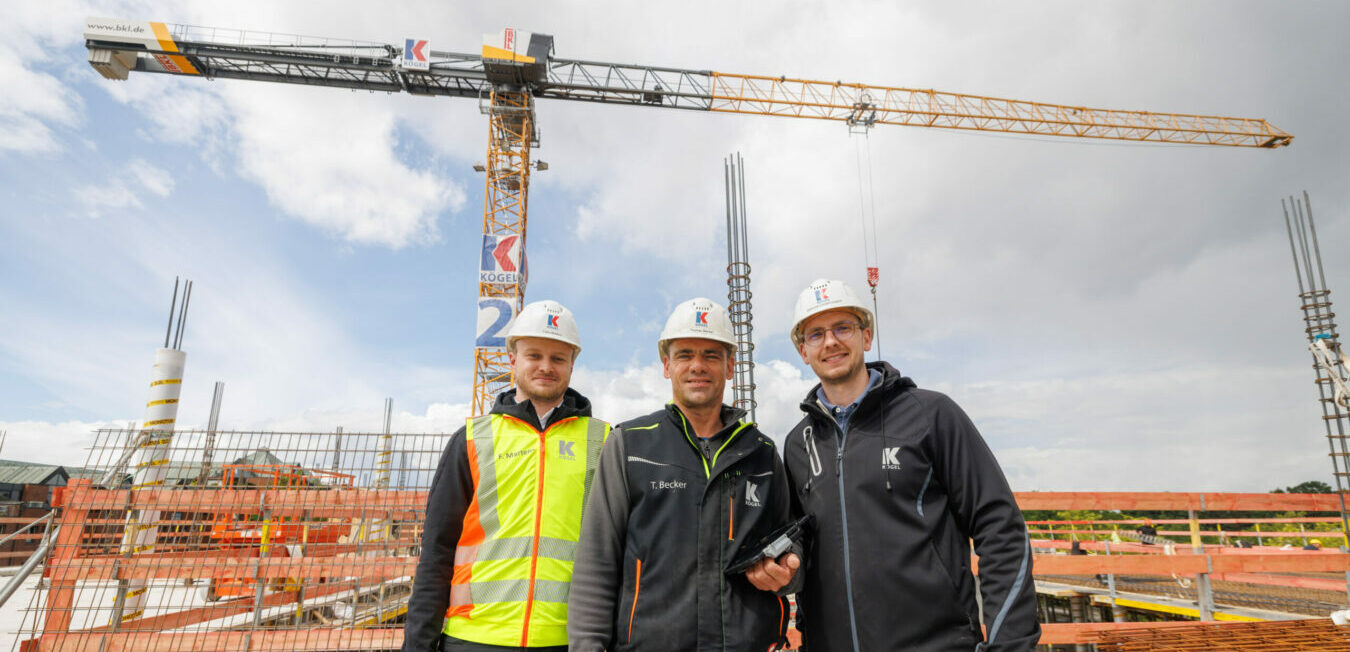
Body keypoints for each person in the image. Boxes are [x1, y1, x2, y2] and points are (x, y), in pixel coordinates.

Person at [776, 279, 1040, 651]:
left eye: (843, 328)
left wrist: (1009, 645)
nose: (831, 342)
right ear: (803, 351)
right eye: (816, 334)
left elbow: (999, 527)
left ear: (866, 337)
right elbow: (801, 548)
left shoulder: (931, 415)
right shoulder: (798, 445)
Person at [568, 298, 795, 652]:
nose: (697, 366)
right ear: (666, 365)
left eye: (711, 355)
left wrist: (788, 566)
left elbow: (790, 543)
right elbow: (597, 563)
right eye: (685, 354)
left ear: (731, 366)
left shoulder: (762, 453)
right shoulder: (629, 445)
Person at [404, 301, 610, 652]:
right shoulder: (471, 440)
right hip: (474, 637)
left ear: (572, 364)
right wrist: (419, 643)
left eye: (558, 358)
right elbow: (437, 551)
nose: (546, 366)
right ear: (513, 359)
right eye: (534, 355)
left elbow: (616, 548)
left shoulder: (604, 442)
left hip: (566, 640)